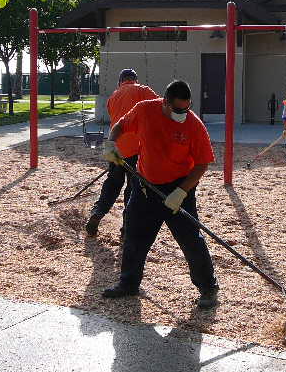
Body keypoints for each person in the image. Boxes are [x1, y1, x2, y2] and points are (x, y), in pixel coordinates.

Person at [100, 80, 219, 309]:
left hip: (179, 188)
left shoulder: (194, 125)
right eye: (177, 110)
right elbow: (120, 126)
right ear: (164, 102)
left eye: (186, 109)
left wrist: (181, 192)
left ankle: (208, 288)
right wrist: (111, 144)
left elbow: (202, 164)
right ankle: (128, 283)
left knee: (190, 240)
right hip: (145, 186)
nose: (182, 114)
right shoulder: (145, 109)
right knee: (134, 236)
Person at [85, 69, 158, 236]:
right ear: (134, 79)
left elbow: (115, 119)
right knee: (133, 188)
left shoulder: (113, 97)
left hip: (116, 148)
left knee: (112, 183)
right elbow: (161, 109)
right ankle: (127, 226)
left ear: (120, 81)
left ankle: (97, 213)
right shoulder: (144, 91)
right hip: (137, 149)